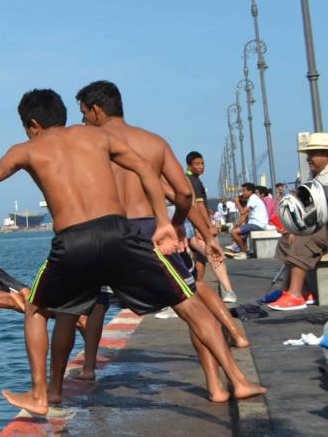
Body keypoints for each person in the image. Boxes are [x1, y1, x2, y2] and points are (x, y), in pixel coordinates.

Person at [0, 88, 265, 415]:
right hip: (119, 232)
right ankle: (238, 380)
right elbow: (145, 170)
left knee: (37, 308)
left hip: (72, 241)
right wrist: (163, 222)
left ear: (32, 124)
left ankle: (41, 394)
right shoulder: (96, 137)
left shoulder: (28, 149)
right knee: (188, 302)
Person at [47, 83, 247, 401]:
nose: (82, 120)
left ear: (97, 109)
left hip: (106, 233)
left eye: (84, 113)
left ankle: (58, 387)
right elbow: (181, 194)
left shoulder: (89, 144)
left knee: (72, 311)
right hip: (150, 229)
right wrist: (185, 228)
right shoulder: (152, 142)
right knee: (191, 303)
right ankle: (217, 384)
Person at [272, 133, 328, 311]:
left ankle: (295, 294)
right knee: (285, 240)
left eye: (313, 154)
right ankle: (300, 290)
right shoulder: (317, 178)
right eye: (308, 154)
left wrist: (302, 231)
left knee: (305, 240)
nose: (308, 158)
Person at [186, 151, 239, 303]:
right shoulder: (192, 180)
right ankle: (228, 290)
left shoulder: (193, 179)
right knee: (213, 253)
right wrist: (207, 227)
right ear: (189, 165)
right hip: (193, 226)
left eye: (202, 163)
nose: (201, 167)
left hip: (192, 226)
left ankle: (197, 291)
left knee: (201, 259)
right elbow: (199, 204)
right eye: (197, 164)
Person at [229, 183, 267, 258]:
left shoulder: (253, 198)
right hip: (254, 224)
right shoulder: (252, 198)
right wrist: (238, 224)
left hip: (257, 224)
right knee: (241, 237)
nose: (242, 193)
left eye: (244, 191)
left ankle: (244, 252)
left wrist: (237, 201)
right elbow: (244, 215)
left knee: (233, 232)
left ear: (250, 191)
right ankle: (245, 250)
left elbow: (243, 212)